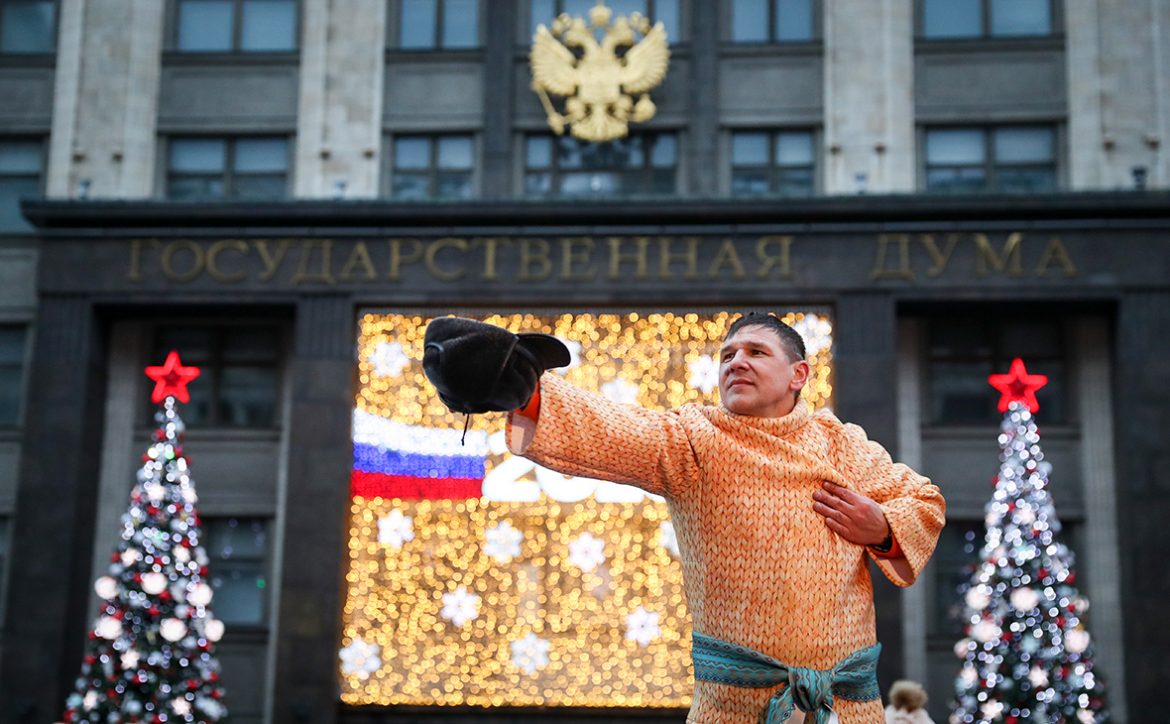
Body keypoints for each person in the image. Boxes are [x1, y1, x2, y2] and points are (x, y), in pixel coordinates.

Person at [423, 312, 946, 724]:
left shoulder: (844, 444)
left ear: (799, 375)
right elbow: (613, 427)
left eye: (756, 352)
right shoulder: (695, 438)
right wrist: (524, 385)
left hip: (847, 709)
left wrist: (881, 529)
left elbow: (925, 501)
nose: (736, 362)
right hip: (731, 711)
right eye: (727, 355)